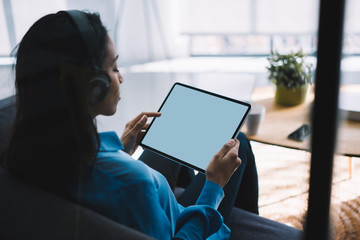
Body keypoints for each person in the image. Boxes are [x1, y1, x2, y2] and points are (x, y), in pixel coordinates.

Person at [0, 10, 259, 239]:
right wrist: (214, 186)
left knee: (162, 142)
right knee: (240, 144)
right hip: (180, 225)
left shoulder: (26, 150)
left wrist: (120, 151)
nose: (120, 77)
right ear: (94, 87)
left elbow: (96, 181)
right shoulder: (133, 184)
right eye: (113, 67)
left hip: (137, 192)